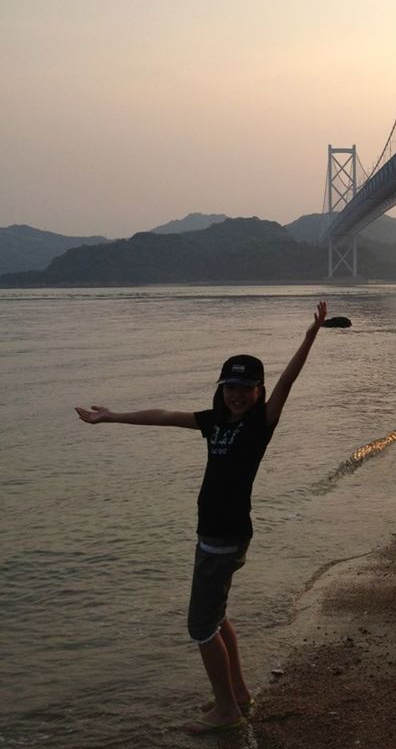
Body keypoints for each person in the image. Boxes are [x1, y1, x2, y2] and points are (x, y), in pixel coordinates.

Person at [75, 300, 328, 735]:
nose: (236, 393)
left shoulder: (259, 425)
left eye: (245, 388)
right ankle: (239, 695)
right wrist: (112, 416)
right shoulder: (214, 422)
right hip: (215, 535)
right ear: (222, 388)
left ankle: (227, 709)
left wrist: (310, 335)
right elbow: (166, 417)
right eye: (230, 386)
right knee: (217, 617)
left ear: (259, 392)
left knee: (200, 628)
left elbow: (289, 380)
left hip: (223, 537)